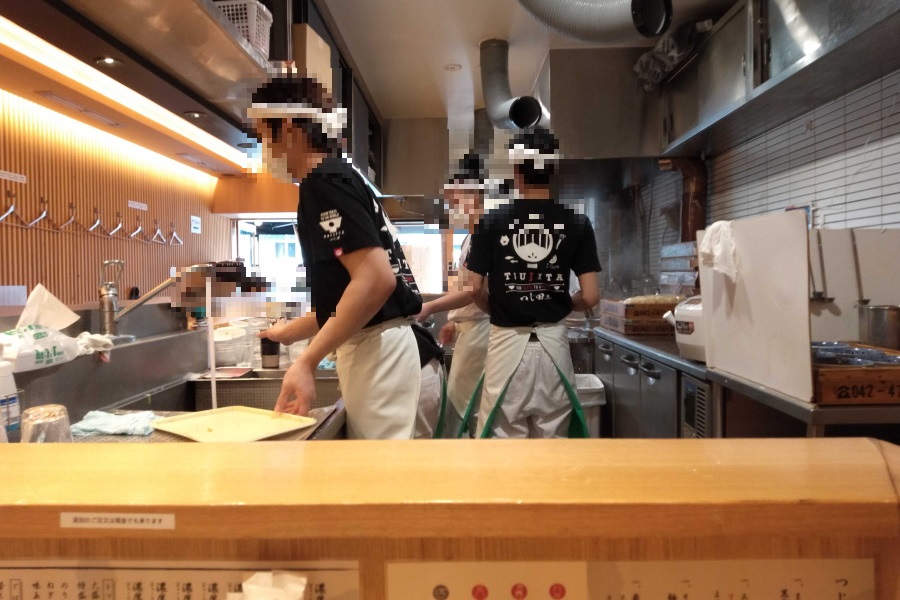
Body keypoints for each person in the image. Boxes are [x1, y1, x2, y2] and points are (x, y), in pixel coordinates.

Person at [247, 74, 423, 439]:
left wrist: (307, 361)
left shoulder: (323, 182)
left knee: (378, 481)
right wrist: (292, 333)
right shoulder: (339, 178)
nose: (264, 149)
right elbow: (352, 295)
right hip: (381, 347)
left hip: (377, 350)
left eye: (265, 136)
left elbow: (375, 281)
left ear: (292, 129)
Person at [464, 128, 602, 438]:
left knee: (504, 449)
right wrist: (564, 304)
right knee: (553, 450)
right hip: (554, 348)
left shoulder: (490, 222)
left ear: (516, 170)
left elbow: (473, 288)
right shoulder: (577, 222)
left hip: (505, 348)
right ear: (553, 169)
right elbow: (591, 296)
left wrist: (499, 309)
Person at [416, 152, 490, 437]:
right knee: (464, 411)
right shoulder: (472, 235)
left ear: (473, 193)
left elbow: (475, 291)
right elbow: (470, 291)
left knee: (459, 413)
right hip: (472, 330)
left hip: (482, 333)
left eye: (454, 199)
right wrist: (455, 321)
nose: (451, 205)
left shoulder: (484, 232)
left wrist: (429, 308)